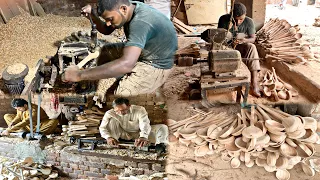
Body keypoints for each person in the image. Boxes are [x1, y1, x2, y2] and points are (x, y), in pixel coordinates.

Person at [62, 0, 178, 97]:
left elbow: (126, 64)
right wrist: (93, 15)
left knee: (119, 97)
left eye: (110, 19)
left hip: (156, 64)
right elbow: (107, 30)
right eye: (106, 19)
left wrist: (79, 75)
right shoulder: (129, 7)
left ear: (123, 9)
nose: (108, 23)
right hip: (146, 50)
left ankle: (137, 84)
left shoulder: (140, 22)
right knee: (106, 51)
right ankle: (94, 86)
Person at [218, 2, 261, 97]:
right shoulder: (223, 19)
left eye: (241, 19)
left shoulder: (249, 21)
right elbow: (219, 38)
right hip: (227, 48)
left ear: (245, 15)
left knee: (252, 47)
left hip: (240, 47)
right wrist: (227, 38)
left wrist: (244, 40)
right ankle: (224, 78)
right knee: (218, 52)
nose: (238, 23)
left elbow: (253, 39)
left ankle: (254, 83)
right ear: (231, 15)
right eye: (235, 20)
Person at [99, 98, 169, 148]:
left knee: (163, 127)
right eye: (117, 111)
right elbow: (102, 127)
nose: (121, 113)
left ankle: (161, 147)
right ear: (114, 109)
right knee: (112, 121)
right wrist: (108, 137)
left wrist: (143, 136)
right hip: (124, 134)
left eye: (123, 110)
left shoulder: (140, 110)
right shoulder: (110, 113)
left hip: (138, 134)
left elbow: (145, 124)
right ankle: (114, 143)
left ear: (129, 106)